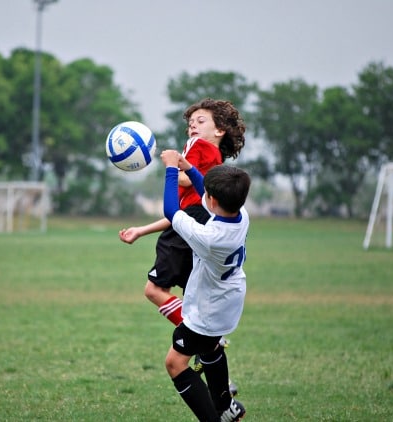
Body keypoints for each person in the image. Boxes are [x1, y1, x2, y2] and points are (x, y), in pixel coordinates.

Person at [119, 99, 246, 329]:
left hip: (192, 221)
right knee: (192, 297)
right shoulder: (217, 161)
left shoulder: (196, 145)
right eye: (190, 124)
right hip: (201, 225)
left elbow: (188, 181)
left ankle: (196, 334)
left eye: (200, 121)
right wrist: (141, 230)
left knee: (155, 290)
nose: (192, 127)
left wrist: (169, 168)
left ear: (219, 130)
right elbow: (179, 216)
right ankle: (205, 340)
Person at [160, 149, 250, 422]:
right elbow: (208, 192)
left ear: (210, 201)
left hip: (207, 309)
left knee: (175, 364)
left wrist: (171, 170)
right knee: (210, 348)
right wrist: (189, 167)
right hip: (229, 299)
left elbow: (171, 210)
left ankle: (213, 419)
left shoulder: (208, 236)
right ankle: (225, 406)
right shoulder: (241, 215)